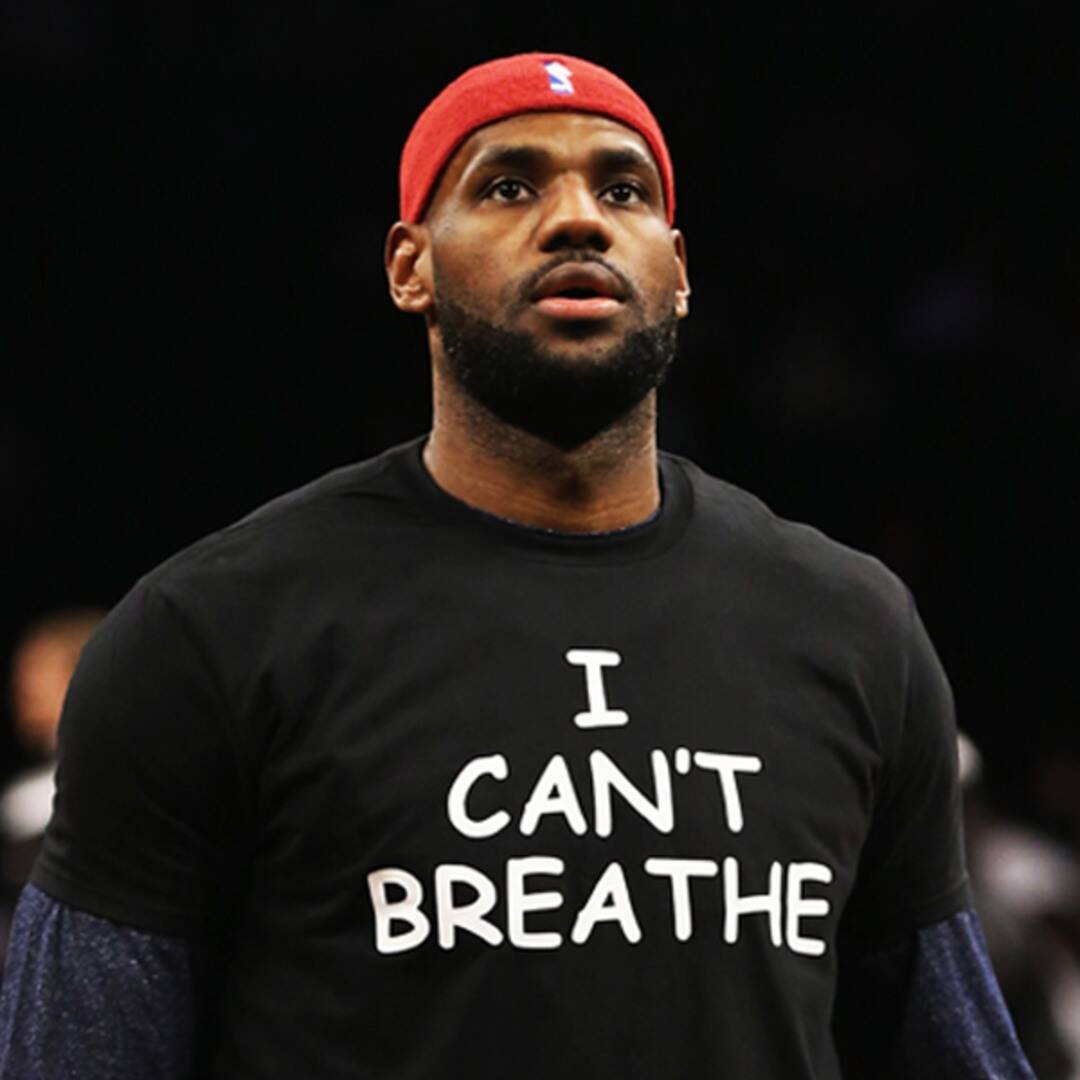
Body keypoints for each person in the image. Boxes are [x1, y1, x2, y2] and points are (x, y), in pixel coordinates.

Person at [0, 52, 1035, 1078]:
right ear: (410, 267)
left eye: (622, 190)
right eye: (507, 187)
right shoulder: (207, 632)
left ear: (677, 273)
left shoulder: (853, 627)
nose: (579, 219)